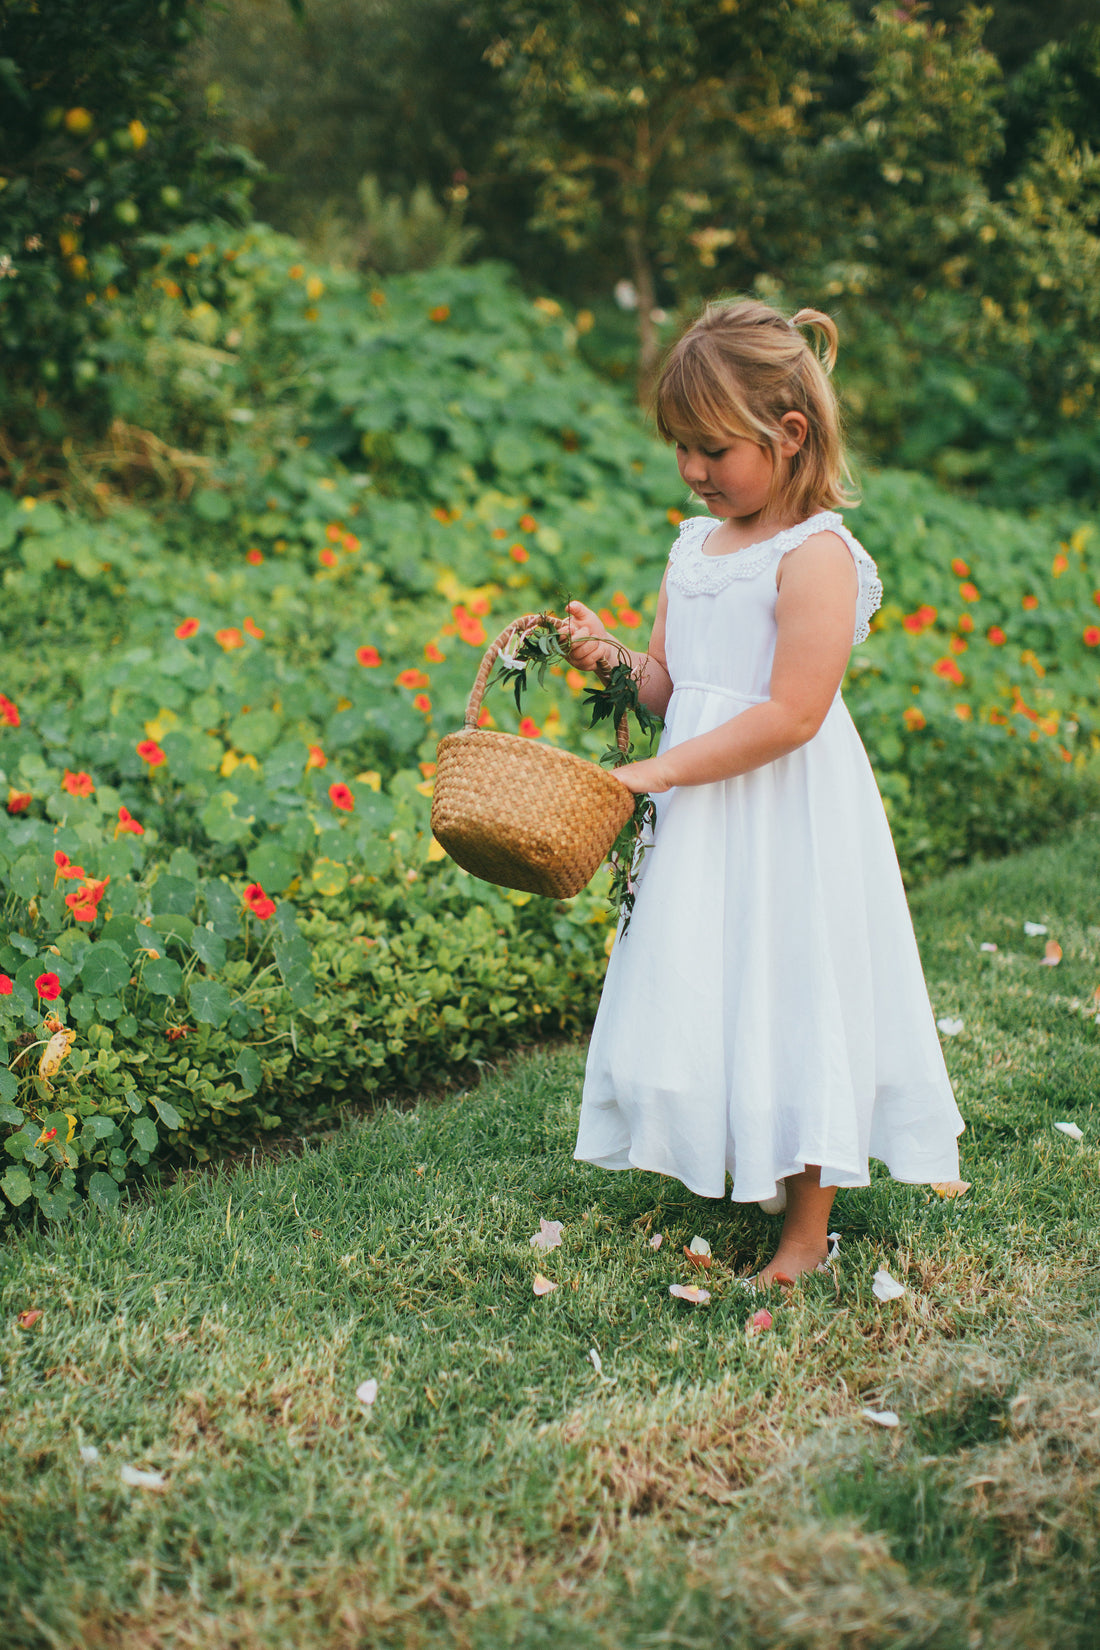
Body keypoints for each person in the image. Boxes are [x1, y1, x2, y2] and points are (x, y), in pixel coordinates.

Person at [562, 297, 964, 1287]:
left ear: (788, 436)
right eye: (680, 450)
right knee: (715, 973)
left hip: (786, 812)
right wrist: (609, 659)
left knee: (793, 986)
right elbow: (672, 687)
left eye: (711, 449)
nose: (694, 472)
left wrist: (652, 772)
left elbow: (789, 713)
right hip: (706, 811)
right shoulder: (690, 549)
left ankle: (803, 1232)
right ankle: (739, 1146)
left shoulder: (815, 557)